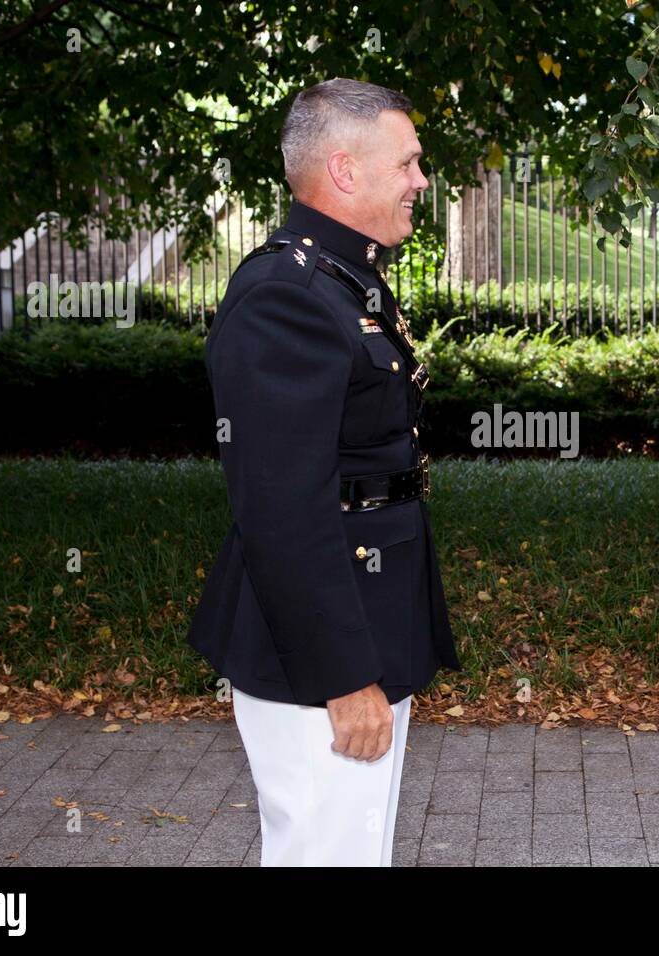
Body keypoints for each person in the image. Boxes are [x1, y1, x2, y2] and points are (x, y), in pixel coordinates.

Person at [186, 77, 460, 866]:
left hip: (370, 618)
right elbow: (281, 509)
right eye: (407, 163)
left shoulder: (346, 280)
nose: (420, 180)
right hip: (317, 650)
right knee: (326, 853)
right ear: (344, 170)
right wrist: (344, 677)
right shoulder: (287, 294)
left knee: (357, 847)